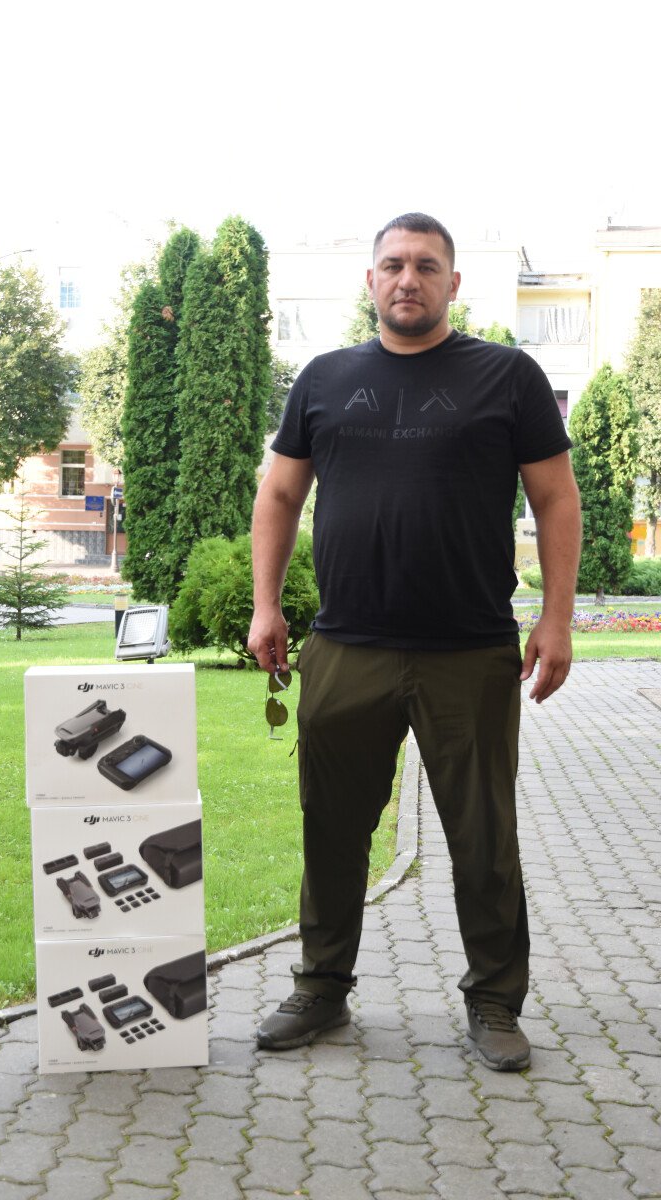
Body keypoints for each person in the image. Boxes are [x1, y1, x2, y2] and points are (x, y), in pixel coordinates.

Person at [248, 213, 581, 1071]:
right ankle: (321, 987)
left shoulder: (507, 376)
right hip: (345, 646)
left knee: (483, 837)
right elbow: (279, 495)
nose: (409, 279)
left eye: (427, 266)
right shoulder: (324, 379)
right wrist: (265, 606)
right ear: (370, 281)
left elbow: (555, 498)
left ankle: (495, 1002)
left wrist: (556, 618)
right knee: (332, 827)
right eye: (393, 264)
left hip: (469, 651)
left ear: (453, 284)